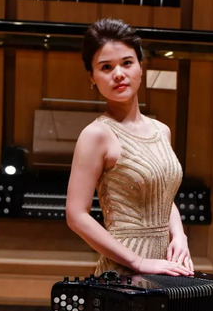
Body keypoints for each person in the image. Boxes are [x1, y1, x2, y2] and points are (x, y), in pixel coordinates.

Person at [66, 17, 194, 276]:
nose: (119, 74)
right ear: (92, 77)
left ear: (140, 67)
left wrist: (179, 235)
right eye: (106, 67)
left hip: (165, 266)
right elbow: (76, 215)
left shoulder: (162, 130)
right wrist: (138, 262)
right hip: (123, 271)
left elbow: (162, 197)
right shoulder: (96, 135)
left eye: (127, 63)